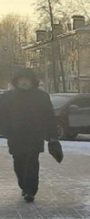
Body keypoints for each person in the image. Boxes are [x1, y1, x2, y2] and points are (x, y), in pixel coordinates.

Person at [0, 68, 61, 203]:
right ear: (16, 81)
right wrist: (5, 129)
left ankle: (30, 190)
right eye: (21, 79)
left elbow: (49, 117)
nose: (24, 82)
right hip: (15, 135)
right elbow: (2, 115)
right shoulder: (7, 97)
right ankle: (23, 185)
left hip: (35, 135)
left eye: (27, 79)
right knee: (19, 162)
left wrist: (52, 136)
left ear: (33, 81)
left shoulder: (41, 97)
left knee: (32, 161)